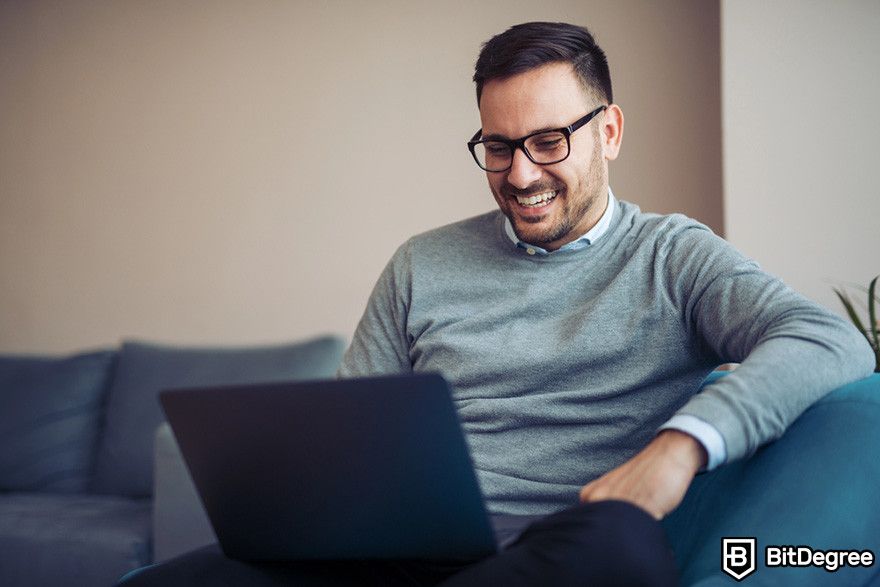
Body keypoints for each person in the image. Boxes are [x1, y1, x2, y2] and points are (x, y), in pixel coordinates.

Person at [120, 21, 874, 587]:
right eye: (498, 145)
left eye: (549, 141)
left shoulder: (673, 255)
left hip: (559, 548)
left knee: (619, 548)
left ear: (608, 131)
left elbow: (827, 340)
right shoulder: (422, 262)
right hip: (395, 552)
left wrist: (681, 448)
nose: (520, 174)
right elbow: (352, 435)